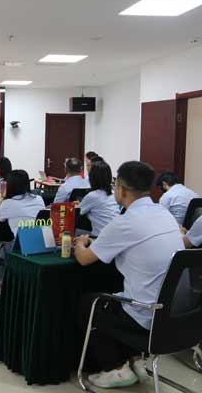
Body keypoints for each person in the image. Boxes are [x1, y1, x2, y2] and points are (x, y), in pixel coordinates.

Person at [73, 161, 184, 389]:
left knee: (90, 303)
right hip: (176, 315)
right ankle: (135, 360)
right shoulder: (164, 214)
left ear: (122, 190)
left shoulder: (126, 221)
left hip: (148, 315)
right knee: (120, 294)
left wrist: (80, 243)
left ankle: (116, 368)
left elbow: (84, 259)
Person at [0, 169, 45, 234]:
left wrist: (3, 198)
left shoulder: (8, 203)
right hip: (40, 238)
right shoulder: (39, 199)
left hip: (21, 239)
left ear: (10, 185)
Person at [78, 161, 120, 236]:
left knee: (76, 231)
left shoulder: (93, 196)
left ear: (92, 177)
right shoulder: (114, 193)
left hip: (100, 237)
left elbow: (77, 212)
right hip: (116, 234)